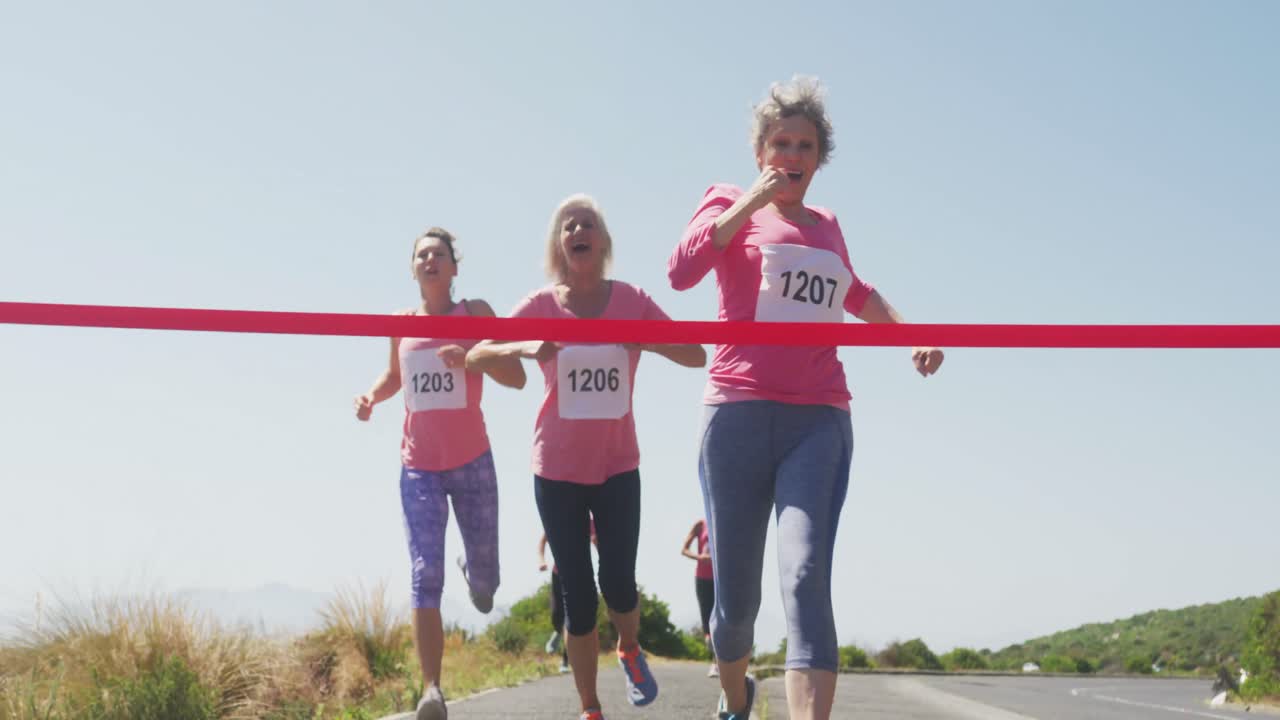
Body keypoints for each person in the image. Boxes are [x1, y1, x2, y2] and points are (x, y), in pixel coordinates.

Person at [666, 77, 945, 720]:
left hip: (818, 419)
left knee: (804, 575)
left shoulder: (828, 227)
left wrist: (911, 338)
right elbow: (681, 272)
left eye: (805, 146)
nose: (791, 156)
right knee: (735, 603)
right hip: (736, 415)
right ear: (760, 150)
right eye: (780, 143)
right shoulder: (726, 201)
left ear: (820, 159)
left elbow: (856, 293)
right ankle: (736, 699)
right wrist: (747, 207)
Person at [468, 194, 706, 720]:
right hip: (555, 470)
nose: (578, 229)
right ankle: (590, 707)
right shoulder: (540, 304)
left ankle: (628, 647)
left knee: (619, 581)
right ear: (560, 245)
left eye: (588, 223)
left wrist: (645, 336)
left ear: (602, 241)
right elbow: (477, 352)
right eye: (568, 225)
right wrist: (523, 348)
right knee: (577, 593)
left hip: (618, 465)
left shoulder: (633, 299)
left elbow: (696, 354)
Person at [354, 227, 525, 720]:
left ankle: (480, 576)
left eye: (439, 254)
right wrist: (370, 396)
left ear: (454, 267)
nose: (430, 260)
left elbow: (515, 377)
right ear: (413, 269)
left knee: (487, 582)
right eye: (421, 255)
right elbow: (394, 376)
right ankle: (432, 690)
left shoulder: (476, 314)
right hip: (419, 468)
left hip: (473, 462)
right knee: (424, 574)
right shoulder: (401, 322)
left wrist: (471, 357)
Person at [539, 520, 597, 674]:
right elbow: (543, 540)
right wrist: (541, 560)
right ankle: (557, 633)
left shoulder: (589, 522)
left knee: (570, 619)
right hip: (558, 573)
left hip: (578, 575)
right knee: (556, 617)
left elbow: (596, 540)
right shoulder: (559, 512)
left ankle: (565, 662)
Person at [680, 518, 717, 678]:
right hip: (702, 578)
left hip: (721, 579)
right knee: (707, 621)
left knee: (721, 620)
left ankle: (720, 662)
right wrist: (700, 557)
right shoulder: (700, 525)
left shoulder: (725, 519)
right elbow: (684, 549)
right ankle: (715, 661)